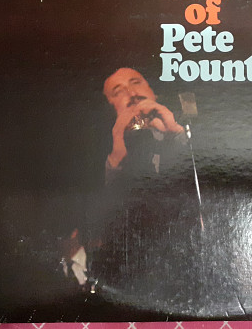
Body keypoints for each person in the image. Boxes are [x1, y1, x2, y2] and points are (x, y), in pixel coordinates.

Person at [63, 68, 190, 290]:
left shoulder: (187, 134)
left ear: (153, 93)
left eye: (136, 83)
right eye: (118, 91)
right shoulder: (96, 162)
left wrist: (177, 135)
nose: (132, 94)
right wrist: (118, 158)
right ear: (110, 109)